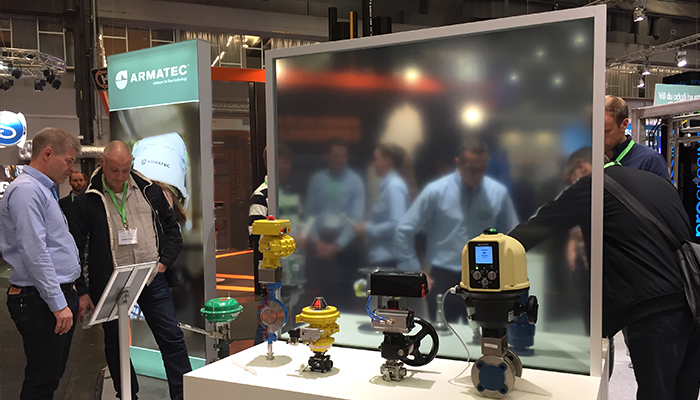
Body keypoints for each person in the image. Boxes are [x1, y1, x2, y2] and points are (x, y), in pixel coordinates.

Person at [508, 147, 700, 400]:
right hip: (693, 297)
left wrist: (493, 249)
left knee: (657, 392)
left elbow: (536, 228)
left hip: (653, 311)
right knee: (685, 391)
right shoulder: (658, 183)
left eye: (568, 181)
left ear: (580, 167)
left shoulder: (592, 186)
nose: (569, 187)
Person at [72, 141, 191, 400]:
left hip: (150, 277)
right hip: (111, 282)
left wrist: (163, 263)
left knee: (171, 337)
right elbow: (76, 249)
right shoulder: (87, 200)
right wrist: (82, 289)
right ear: (102, 163)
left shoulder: (150, 190)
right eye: (114, 170)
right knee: (116, 344)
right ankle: (127, 394)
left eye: (126, 170)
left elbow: (173, 231)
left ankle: (184, 395)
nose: (120, 176)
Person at [395, 138, 519, 325]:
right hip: (443, 277)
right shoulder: (436, 191)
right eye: (471, 168)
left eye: (482, 168)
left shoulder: (497, 192)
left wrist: (508, 271)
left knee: (485, 333)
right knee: (443, 335)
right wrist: (414, 270)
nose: (477, 174)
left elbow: (514, 234)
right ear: (458, 163)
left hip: (485, 277)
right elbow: (404, 229)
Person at [0, 127, 84, 400]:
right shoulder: (27, 191)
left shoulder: (42, 190)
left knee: (51, 374)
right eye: (68, 161)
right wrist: (58, 303)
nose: (72, 169)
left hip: (49, 294)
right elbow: (35, 252)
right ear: (48, 153)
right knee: (42, 378)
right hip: (39, 299)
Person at [304, 138, 366, 309]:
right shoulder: (317, 179)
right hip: (319, 243)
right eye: (336, 155)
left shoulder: (355, 181)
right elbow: (310, 213)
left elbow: (356, 217)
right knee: (319, 296)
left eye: (343, 155)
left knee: (345, 297)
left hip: (346, 245)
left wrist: (337, 246)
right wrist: (317, 242)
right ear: (328, 156)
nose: (339, 159)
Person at [355, 143, 410, 270]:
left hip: (389, 258)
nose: (373, 164)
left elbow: (397, 224)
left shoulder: (394, 187)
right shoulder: (389, 186)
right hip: (383, 257)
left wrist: (367, 228)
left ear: (387, 161)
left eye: (376, 159)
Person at [604, 95, 669, 179]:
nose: (598, 139)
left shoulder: (651, 162)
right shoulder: (590, 160)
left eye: (605, 131)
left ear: (624, 124)